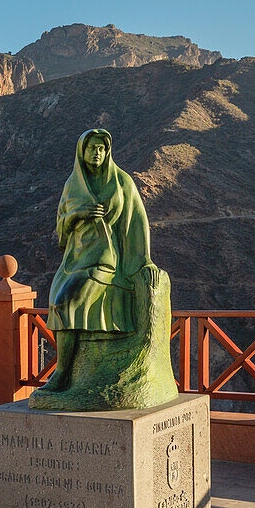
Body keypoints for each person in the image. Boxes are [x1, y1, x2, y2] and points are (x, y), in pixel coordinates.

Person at [40, 129, 159, 393]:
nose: (97, 153)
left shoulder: (122, 182)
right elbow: (61, 228)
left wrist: (145, 260)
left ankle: (61, 374)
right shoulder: (72, 185)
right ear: (81, 152)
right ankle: (66, 373)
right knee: (56, 301)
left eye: (101, 148)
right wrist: (76, 214)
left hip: (104, 260)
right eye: (91, 147)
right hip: (75, 260)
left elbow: (137, 223)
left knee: (65, 303)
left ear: (108, 152)